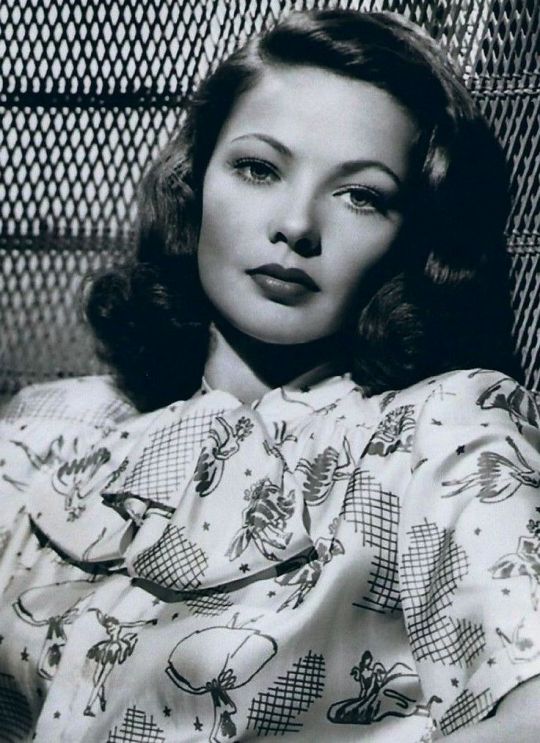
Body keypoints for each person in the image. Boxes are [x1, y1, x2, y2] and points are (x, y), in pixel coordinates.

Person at [0, 8, 539, 742]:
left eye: (362, 195)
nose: (296, 224)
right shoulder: (55, 435)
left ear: (415, 236)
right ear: (193, 186)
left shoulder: (442, 432)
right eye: (259, 169)